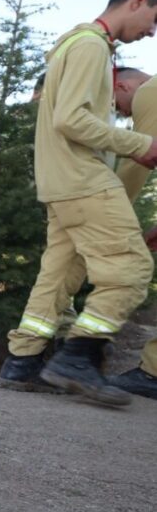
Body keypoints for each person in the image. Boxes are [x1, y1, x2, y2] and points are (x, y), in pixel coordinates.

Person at [0, 0, 157, 406]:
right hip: (83, 179)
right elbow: (71, 119)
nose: (152, 32)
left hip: (61, 183)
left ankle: (22, 361)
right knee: (131, 268)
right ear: (139, 1)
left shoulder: (76, 46)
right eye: (155, 19)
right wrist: (140, 144)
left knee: (59, 275)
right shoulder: (90, 46)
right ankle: (78, 358)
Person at [110, 71, 157, 399]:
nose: (125, 115)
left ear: (122, 86)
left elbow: (142, 157)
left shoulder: (150, 92)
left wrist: (105, 211)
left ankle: (153, 373)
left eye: (119, 107)